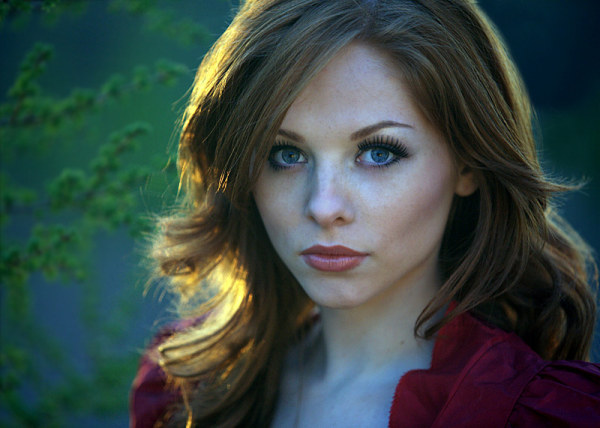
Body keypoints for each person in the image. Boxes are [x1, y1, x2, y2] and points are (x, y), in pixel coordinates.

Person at [130, 0, 600, 426]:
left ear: (468, 165)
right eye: (286, 155)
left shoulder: (541, 413)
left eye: (378, 153)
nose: (323, 207)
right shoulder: (185, 388)